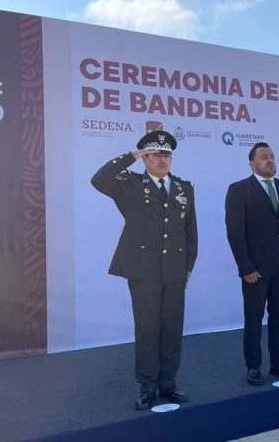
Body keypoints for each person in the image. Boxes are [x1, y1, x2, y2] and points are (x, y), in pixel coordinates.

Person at [91, 130, 197, 411]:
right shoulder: (131, 185)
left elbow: (190, 232)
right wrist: (132, 155)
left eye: (167, 154)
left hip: (174, 269)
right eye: (156, 154)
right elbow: (99, 179)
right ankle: (148, 386)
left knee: (172, 329)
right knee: (148, 329)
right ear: (146, 158)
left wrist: (188, 266)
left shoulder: (185, 187)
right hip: (143, 269)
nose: (163, 159)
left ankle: (169, 383)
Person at [225, 142, 279, 386]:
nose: (270, 160)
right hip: (256, 270)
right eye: (263, 157)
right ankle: (253, 367)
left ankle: (278, 363)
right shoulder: (239, 190)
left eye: (272, 156)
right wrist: (246, 267)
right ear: (252, 163)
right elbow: (235, 233)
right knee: (253, 319)